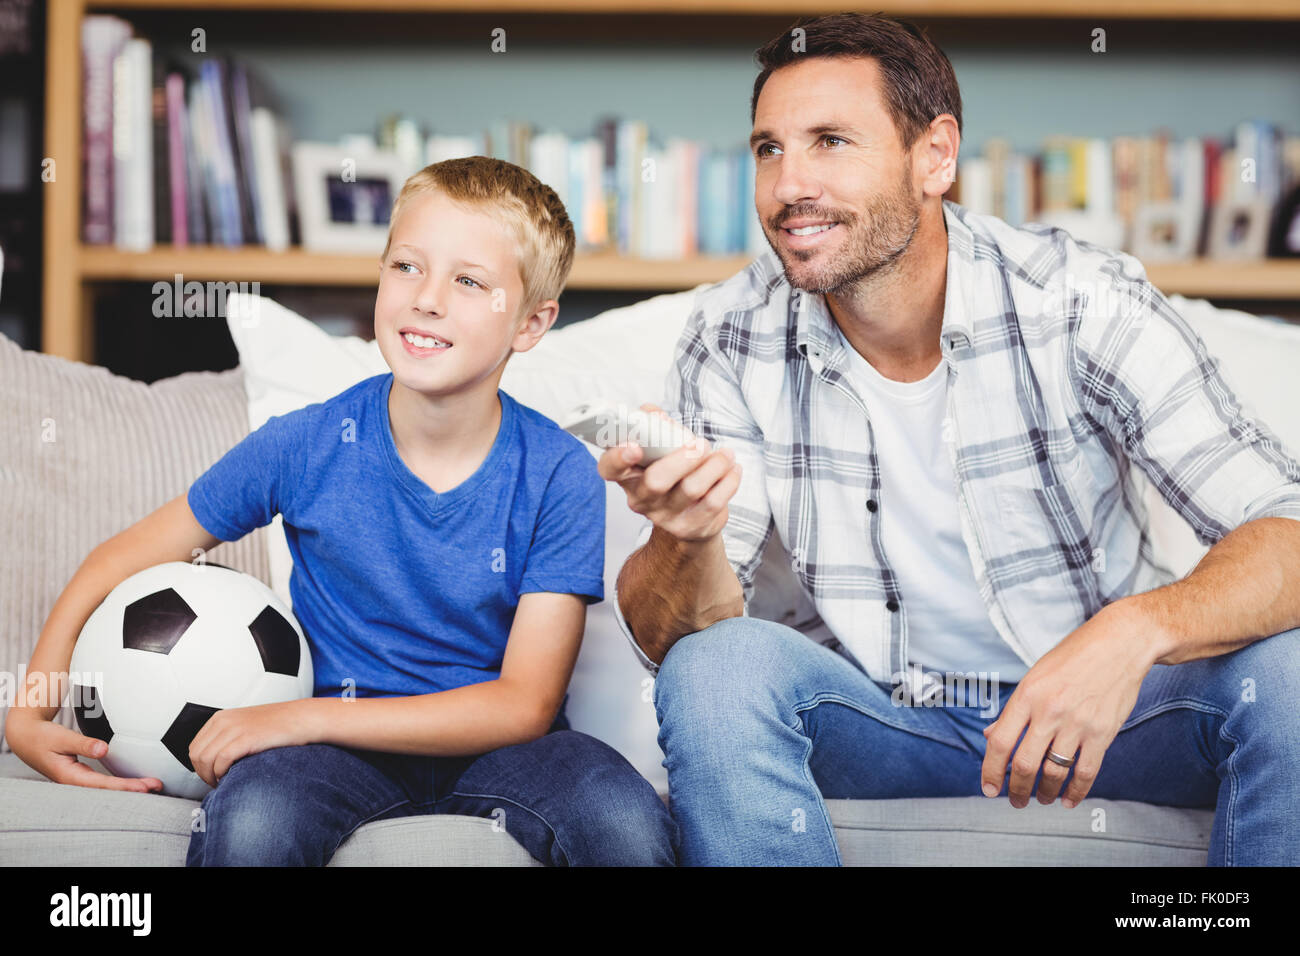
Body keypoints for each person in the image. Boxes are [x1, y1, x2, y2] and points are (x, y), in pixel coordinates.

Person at [598, 12, 1300, 866]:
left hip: (1112, 719)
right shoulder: (730, 334)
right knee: (716, 670)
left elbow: (1288, 527)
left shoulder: (1081, 300)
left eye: (829, 142)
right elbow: (689, 634)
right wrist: (687, 533)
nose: (788, 186)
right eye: (768, 149)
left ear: (935, 156)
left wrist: (1133, 633)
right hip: (884, 721)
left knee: (1292, 674)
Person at [7, 156, 678, 867]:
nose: (427, 299)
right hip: (332, 757)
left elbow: (523, 704)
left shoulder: (559, 474)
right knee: (255, 820)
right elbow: (115, 561)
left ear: (531, 323)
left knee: (623, 816)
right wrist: (27, 713)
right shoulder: (305, 443)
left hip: (508, 752)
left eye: (469, 281)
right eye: (407, 267)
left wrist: (293, 717)